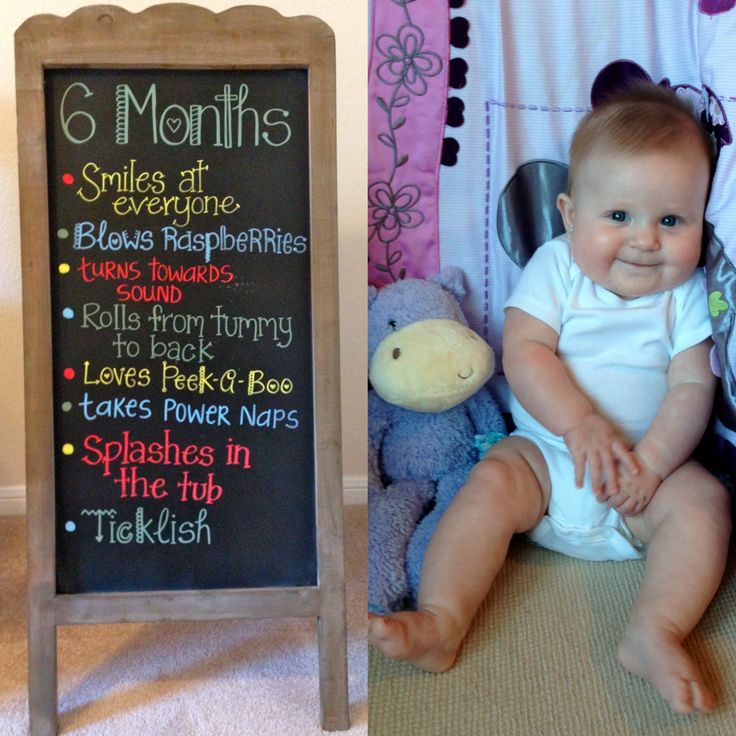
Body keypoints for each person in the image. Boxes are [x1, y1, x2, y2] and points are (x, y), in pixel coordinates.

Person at [368, 83, 732, 715]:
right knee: (488, 482)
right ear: (568, 213)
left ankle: (655, 629)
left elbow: (693, 385)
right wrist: (579, 423)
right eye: (618, 216)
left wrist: (652, 463)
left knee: (706, 506)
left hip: (639, 487)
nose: (645, 239)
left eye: (672, 221)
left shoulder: (689, 294)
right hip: (544, 460)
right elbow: (525, 352)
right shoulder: (556, 267)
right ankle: (442, 620)